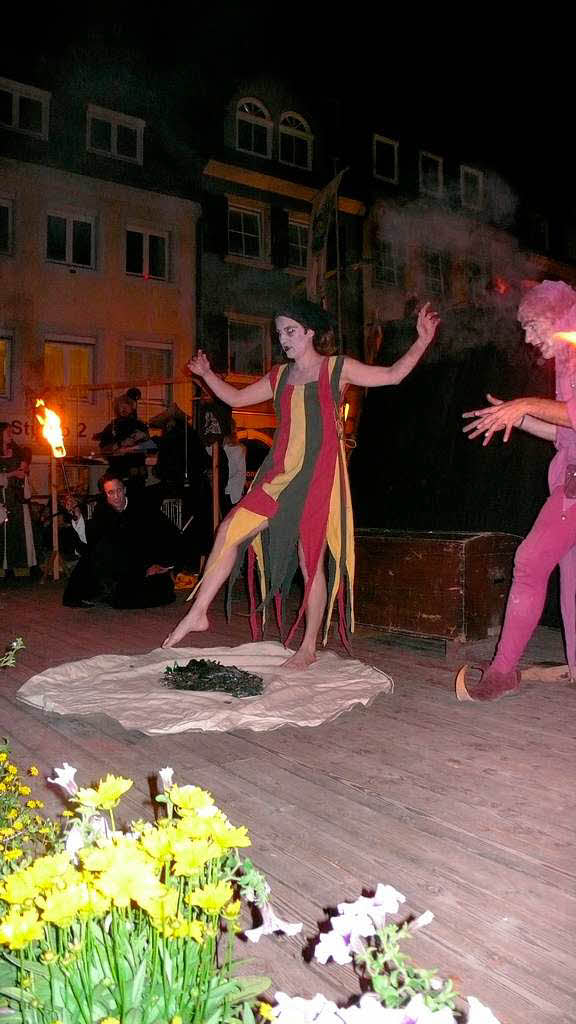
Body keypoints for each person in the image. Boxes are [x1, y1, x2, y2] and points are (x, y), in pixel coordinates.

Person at [162, 298, 439, 667]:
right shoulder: (279, 376)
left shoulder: (336, 368)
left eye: (290, 331)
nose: (283, 339)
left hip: (318, 478)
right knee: (229, 528)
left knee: (312, 563)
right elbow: (237, 398)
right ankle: (199, 612)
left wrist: (421, 341)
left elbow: (392, 376)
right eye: (279, 333)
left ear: (310, 333)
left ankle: (308, 646)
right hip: (278, 475)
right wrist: (207, 374)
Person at [459, 279, 576, 701]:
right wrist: (520, 418)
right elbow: (566, 431)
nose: (526, 336)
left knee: (528, 562)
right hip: (570, 482)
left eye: (530, 325)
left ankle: (504, 670)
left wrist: (524, 404)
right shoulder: (565, 358)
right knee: (569, 583)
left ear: (553, 317)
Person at [63, 473, 181, 608]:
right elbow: (92, 542)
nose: (116, 497)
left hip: (146, 565)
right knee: (94, 558)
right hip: (117, 568)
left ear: (124, 490)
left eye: (119, 491)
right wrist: (78, 517)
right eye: (110, 493)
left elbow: (169, 534)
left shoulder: (144, 508)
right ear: (105, 495)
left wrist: (162, 564)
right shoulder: (102, 511)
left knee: (151, 593)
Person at [94, 392, 153, 490]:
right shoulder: (112, 427)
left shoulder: (140, 425)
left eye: (126, 405)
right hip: (117, 473)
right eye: (120, 406)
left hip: (136, 477)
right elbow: (104, 450)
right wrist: (120, 444)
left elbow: (150, 448)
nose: (123, 408)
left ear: (132, 407)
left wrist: (143, 439)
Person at [0, 422, 37, 577]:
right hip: (3, 498)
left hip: (18, 497)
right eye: (8, 432)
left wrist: (24, 468)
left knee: (22, 530)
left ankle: (28, 565)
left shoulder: (18, 451)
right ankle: (7, 567)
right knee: (5, 533)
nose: (11, 435)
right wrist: (13, 473)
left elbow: (25, 465)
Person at [222, 421, 247, 515]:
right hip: (227, 492)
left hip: (231, 492)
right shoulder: (220, 448)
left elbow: (240, 473)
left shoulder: (237, 450)